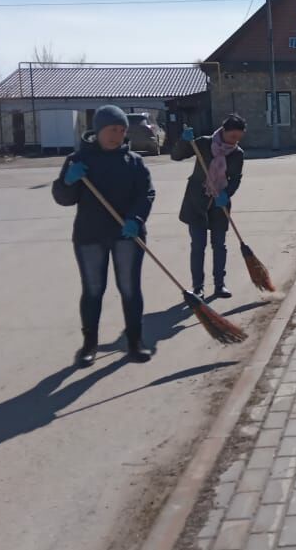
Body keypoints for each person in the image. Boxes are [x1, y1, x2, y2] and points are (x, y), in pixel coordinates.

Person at [52, 105, 156, 367]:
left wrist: (136, 219)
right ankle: (89, 344)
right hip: (90, 236)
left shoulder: (133, 162)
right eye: (112, 129)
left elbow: (146, 194)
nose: (117, 135)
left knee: (130, 289)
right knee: (93, 289)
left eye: (121, 130)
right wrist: (68, 182)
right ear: (98, 130)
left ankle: (135, 341)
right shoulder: (78, 161)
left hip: (126, 235)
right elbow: (64, 198)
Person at [172, 115, 246, 299]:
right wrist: (184, 141)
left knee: (219, 245)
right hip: (197, 202)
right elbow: (177, 156)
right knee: (198, 246)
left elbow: (235, 178)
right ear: (224, 130)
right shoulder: (204, 144)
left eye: (238, 137)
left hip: (219, 205)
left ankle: (220, 285)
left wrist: (227, 193)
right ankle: (198, 287)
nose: (234, 141)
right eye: (232, 136)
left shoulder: (237, 154)